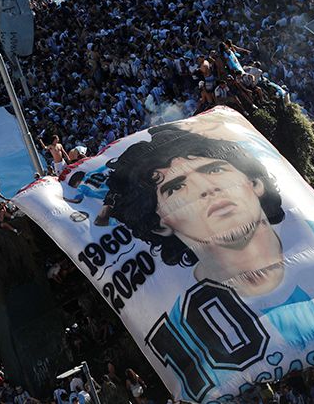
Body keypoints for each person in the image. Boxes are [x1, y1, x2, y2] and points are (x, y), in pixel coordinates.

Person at [106, 124, 286, 296]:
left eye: (214, 170)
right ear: (159, 225)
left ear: (255, 183)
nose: (206, 188)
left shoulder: (313, 227)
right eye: (175, 188)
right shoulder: (174, 311)